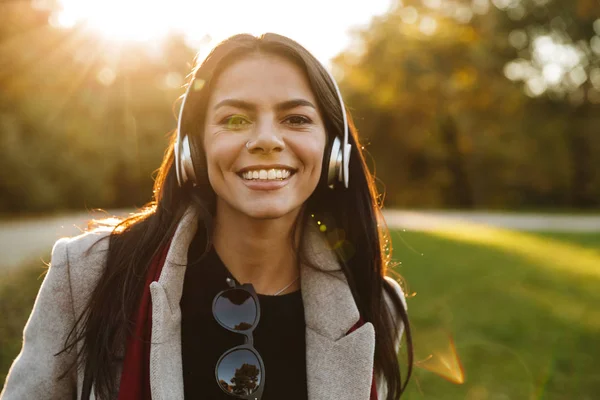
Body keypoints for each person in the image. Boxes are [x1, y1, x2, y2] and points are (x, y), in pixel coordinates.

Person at [0, 33, 413, 400]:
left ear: (334, 153)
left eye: (296, 119)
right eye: (235, 119)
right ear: (192, 150)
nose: (267, 139)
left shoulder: (374, 305)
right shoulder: (89, 272)